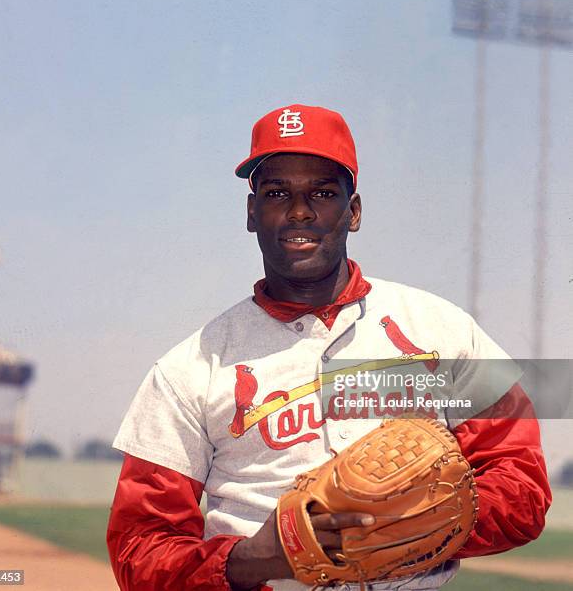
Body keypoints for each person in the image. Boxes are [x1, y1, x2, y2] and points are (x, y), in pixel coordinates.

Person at [107, 104, 551, 591]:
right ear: (252, 213)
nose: (300, 210)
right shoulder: (188, 370)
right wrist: (256, 557)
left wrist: (421, 518)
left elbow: (523, 482)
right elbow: (140, 547)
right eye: (277, 193)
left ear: (353, 211)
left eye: (322, 192)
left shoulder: (445, 331)